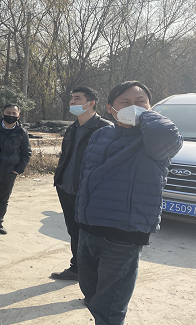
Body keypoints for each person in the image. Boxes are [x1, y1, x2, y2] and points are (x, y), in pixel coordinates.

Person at [76, 81, 182, 325]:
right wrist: (80, 216)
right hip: (89, 229)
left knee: (110, 307)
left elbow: (167, 135)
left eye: (141, 102)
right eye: (125, 102)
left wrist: (147, 115)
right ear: (110, 108)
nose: (134, 107)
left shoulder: (153, 141)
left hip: (124, 236)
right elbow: (86, 176)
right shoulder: (101, 135)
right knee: (91, 292)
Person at [51, 87, 112, 281]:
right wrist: (59, 179)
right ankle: (77, 268)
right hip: (66, 189)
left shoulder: (105, 129)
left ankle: (93, 273)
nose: (72, 102)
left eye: (77, 98)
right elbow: (66, 156)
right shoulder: (72, 128)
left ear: (91, 103)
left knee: (91, 234)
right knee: (74, 231)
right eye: (71, 98)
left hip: (89, 192)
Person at [0, 104, 32, 238]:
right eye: (8, 113)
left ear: (18, 116)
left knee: (4, 199)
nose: (11, 115)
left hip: (10, 172)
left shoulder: (21, 132)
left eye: (14, 113)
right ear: (2, 114)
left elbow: (26, 153)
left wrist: (18, 169)